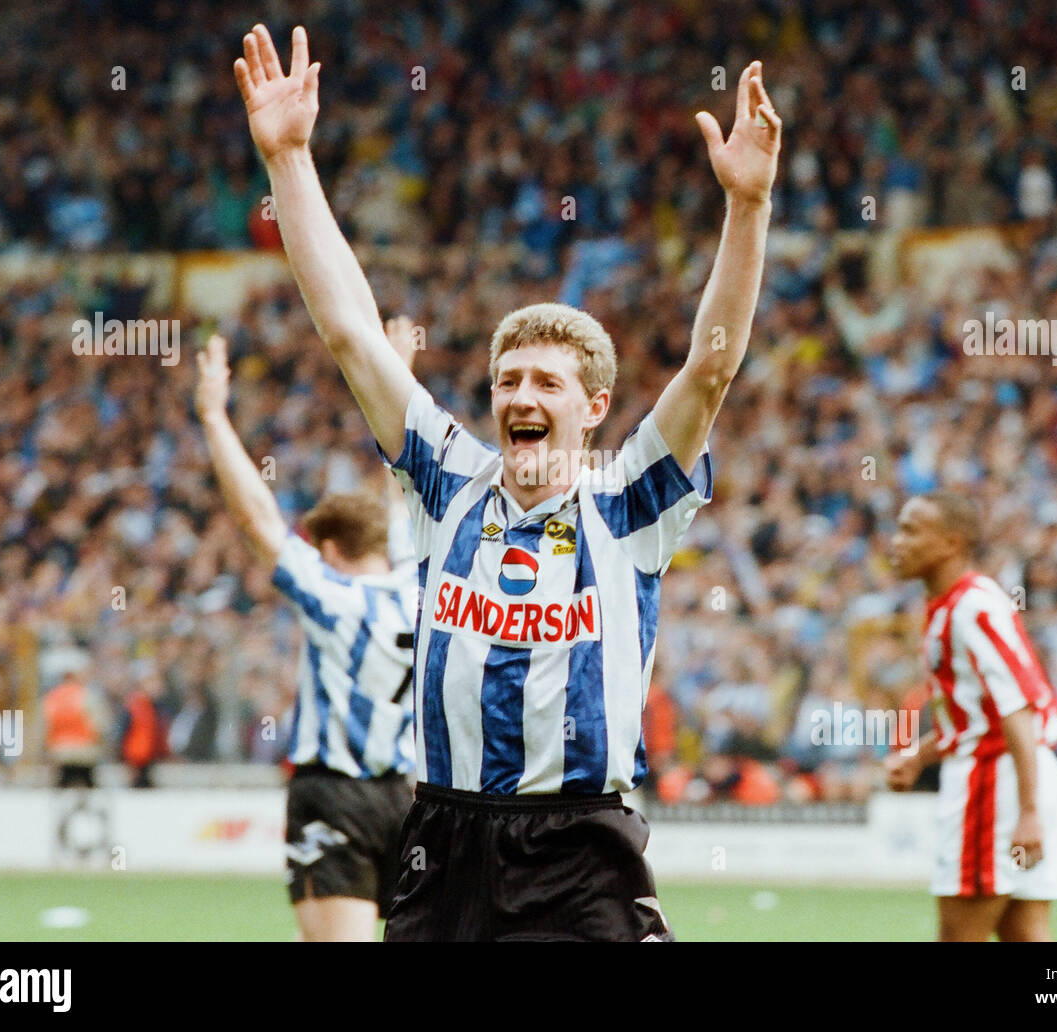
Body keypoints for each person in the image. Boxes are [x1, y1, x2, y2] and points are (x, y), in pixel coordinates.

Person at [232, 23, 780, 940]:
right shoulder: (446, 479)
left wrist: (749, 208)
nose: (521, 396)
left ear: (595, 405)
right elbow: (352, 335)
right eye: (507, 381)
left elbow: (711, 370)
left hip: (578, 848)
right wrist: (289, 159)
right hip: (442, 836)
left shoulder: (628, 501)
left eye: (546, 383)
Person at [195, 327, 418, 942]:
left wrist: (214, 418)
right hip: (414, 801)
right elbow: (399, 491)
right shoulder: (420, 589)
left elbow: (257, 518)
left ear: (326, 548)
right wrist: (394, 378)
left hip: (334, 796)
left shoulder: (332, 596)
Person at [886, 492, 1057, 942]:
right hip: (1018, 775)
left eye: (910, 530)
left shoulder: (972, 608)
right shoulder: (955, 604)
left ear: (951, 542)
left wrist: (1027, 811)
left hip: (995, 784)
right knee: (1025, 934)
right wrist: (919, 756)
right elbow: (979, 715)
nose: (896, 542)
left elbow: (1017, 711)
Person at [42, 670, 106, 789]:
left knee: (63, 780)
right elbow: (98, 724)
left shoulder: (51, 698)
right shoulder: (86, 695)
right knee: (88, 779)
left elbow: (45, 725)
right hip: (85, 749)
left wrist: (46, 749)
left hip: (60, 749)